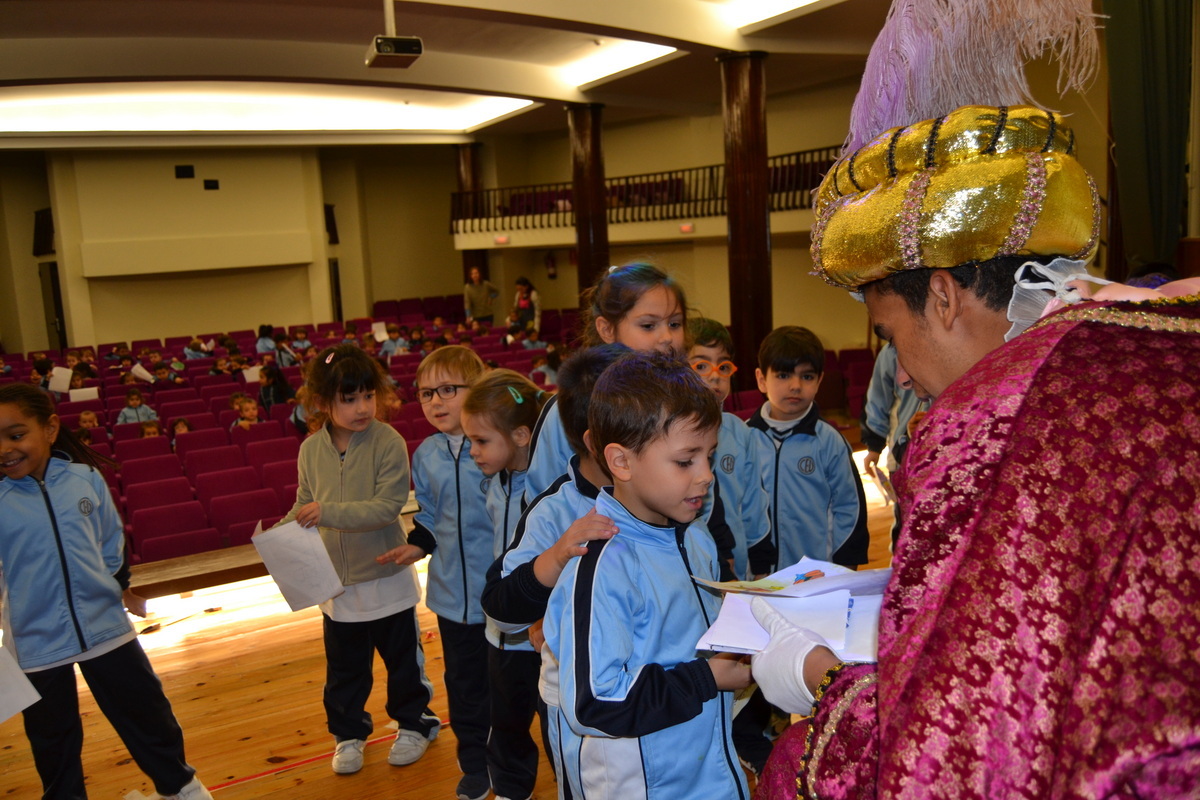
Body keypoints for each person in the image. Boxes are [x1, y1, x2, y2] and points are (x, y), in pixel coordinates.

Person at [749, 3, 1200, 796]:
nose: (901, 374)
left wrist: (819, 677)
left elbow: (944, 753)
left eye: (889, 335)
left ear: (945, 295)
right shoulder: (1164, 337)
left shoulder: (988, 421)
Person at [543, 352, 751, 800]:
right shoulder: (603, 564)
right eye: (686, 461)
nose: (707, 475)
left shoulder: (696, 538)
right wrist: (706, 679)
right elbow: (592, 704)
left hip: (706, 771)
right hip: (641, 785)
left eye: (710, 455)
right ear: (621, 462)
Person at [0, 384, 214, 800]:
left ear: (49, 429)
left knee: (146, 711)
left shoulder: (84, 479)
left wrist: (115, 586)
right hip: (36, 641)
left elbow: (110, 541)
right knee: (52, 738)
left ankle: (180, 787)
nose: (5, 448)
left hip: (105, 626)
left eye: (16, 434)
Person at [268, 344, 439, 776]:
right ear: (322, 402)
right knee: (345, 671)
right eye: (349, 399)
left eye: (368, 396)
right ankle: (348, 734)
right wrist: (277, 537)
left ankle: (415, 724)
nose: (362, 407)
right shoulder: (311, 449)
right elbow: (304, 504)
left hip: (386, 575)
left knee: (403, 664)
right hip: (337, 585)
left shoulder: (388, 442)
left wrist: (327, 512)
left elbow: (386, 507)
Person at [480, 344, 627, 797]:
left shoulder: (669, 500)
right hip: (576, 705)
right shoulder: (553, 510)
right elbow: (501, 608)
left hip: (648, 698)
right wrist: (558, 555)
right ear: (600, 443)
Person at [376, 345, 493, 800]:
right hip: (450, 599)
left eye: (448, 390)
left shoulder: (499, 446)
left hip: (502, 596)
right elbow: (430, 515)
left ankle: (512, 760)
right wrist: (417, 545)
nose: (435, 402)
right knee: (463, 687)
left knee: (512, 686)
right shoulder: (425, 454)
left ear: (476, 389)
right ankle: (476, 763)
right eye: (426, 394)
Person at [524, 262, 687, 503]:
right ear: (607, 329)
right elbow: (541, 499)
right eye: (648, 326)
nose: (666, 337)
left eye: (674, 324)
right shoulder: (569, 407)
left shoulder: (688, 401)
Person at [458, 369, 549, 800]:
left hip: (546, 633)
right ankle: (512, 789)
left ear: (521, 435)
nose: (473, 451)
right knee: (507, 722)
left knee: (555, 720)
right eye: (469, 441)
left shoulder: (551, 489)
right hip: (503, 635)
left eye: (481, 441)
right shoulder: (495, 483)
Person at [747, 326, 869, 571]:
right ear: (761, 380)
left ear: (819, 380)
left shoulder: (830, 441)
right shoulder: (745, 438)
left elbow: (850, 507)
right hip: (756, 577)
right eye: (783, 375)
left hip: (814, 574)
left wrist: (844, 570)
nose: (795, 386)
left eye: (807, 376)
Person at [860, 342, 927, 544]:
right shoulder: (891, 351)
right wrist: (874, 446)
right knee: (906, 524)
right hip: (903, 453)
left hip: (948, 451)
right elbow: (878, 399)